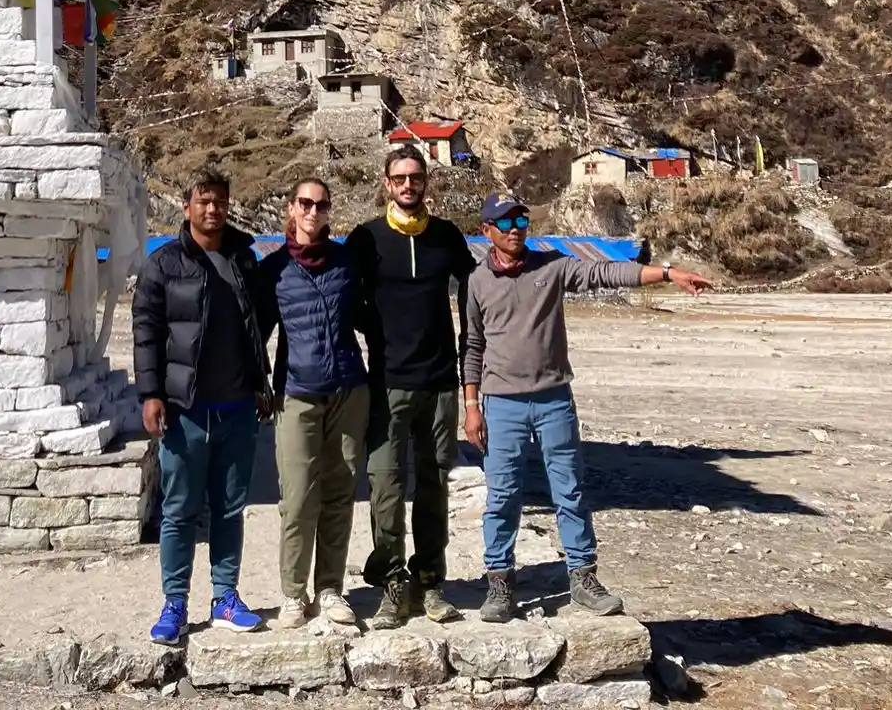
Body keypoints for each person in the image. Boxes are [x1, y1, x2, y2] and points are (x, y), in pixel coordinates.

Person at [461, 192, 713, 622]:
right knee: (502, 495)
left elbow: (605, 272)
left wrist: (667, 273)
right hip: (501, 403)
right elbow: (472, 345)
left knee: (570, 491)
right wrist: (471, 405)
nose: (516, 228)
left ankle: (582, 577)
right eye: (505, 223)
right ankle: (500, 583)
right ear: (487, 231)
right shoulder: (477, 282)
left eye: (521, 220)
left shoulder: (552, 266)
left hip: (554, 399)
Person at [133, 167, 273, 643]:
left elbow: (258, 327)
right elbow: (146, 330)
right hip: (184, 409)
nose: (212, 209)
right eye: (203, 200)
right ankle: (174, 603)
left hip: (236, 408)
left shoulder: (243, 261)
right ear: (187, 206)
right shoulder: (165, 264)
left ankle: (225, 598)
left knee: (230, 508)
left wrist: (259, 381)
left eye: (220, 201)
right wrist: (150, 393)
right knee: (179, 510)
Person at [346, 144, 476, 628]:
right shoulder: (367, 239)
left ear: (426, 182)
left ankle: (430, 581)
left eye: (415, 177)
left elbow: (478, 296)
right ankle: (393, 582)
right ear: (386, 182)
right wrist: (375, 330)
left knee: (434, 486)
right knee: (383, 484)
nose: (408, 185)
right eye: (399, 178)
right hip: (386, 383)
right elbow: (345, 297)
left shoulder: (446, 237)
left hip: (440, 382)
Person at [257, 177, 373, 630]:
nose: (313, 211)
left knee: (341, 492)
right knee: (299, 496)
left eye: (321, 205)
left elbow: (370, 318)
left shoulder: (347, 263)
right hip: (297, 392)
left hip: (348, 389)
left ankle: (330, 588)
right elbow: (259, 333)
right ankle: (293, 594)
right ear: (290, 208)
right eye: (305, 203)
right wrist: (259, 383)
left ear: (329, 212)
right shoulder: (274, 271)